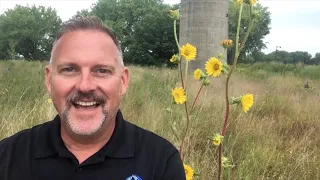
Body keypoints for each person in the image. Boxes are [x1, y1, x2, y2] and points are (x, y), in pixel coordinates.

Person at [0, 16, 186, 180]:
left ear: (123, 81)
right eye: (70, 69)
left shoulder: (161, 162)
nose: (85, 86)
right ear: (49, 80)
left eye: (101, 71)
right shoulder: (7, 156)